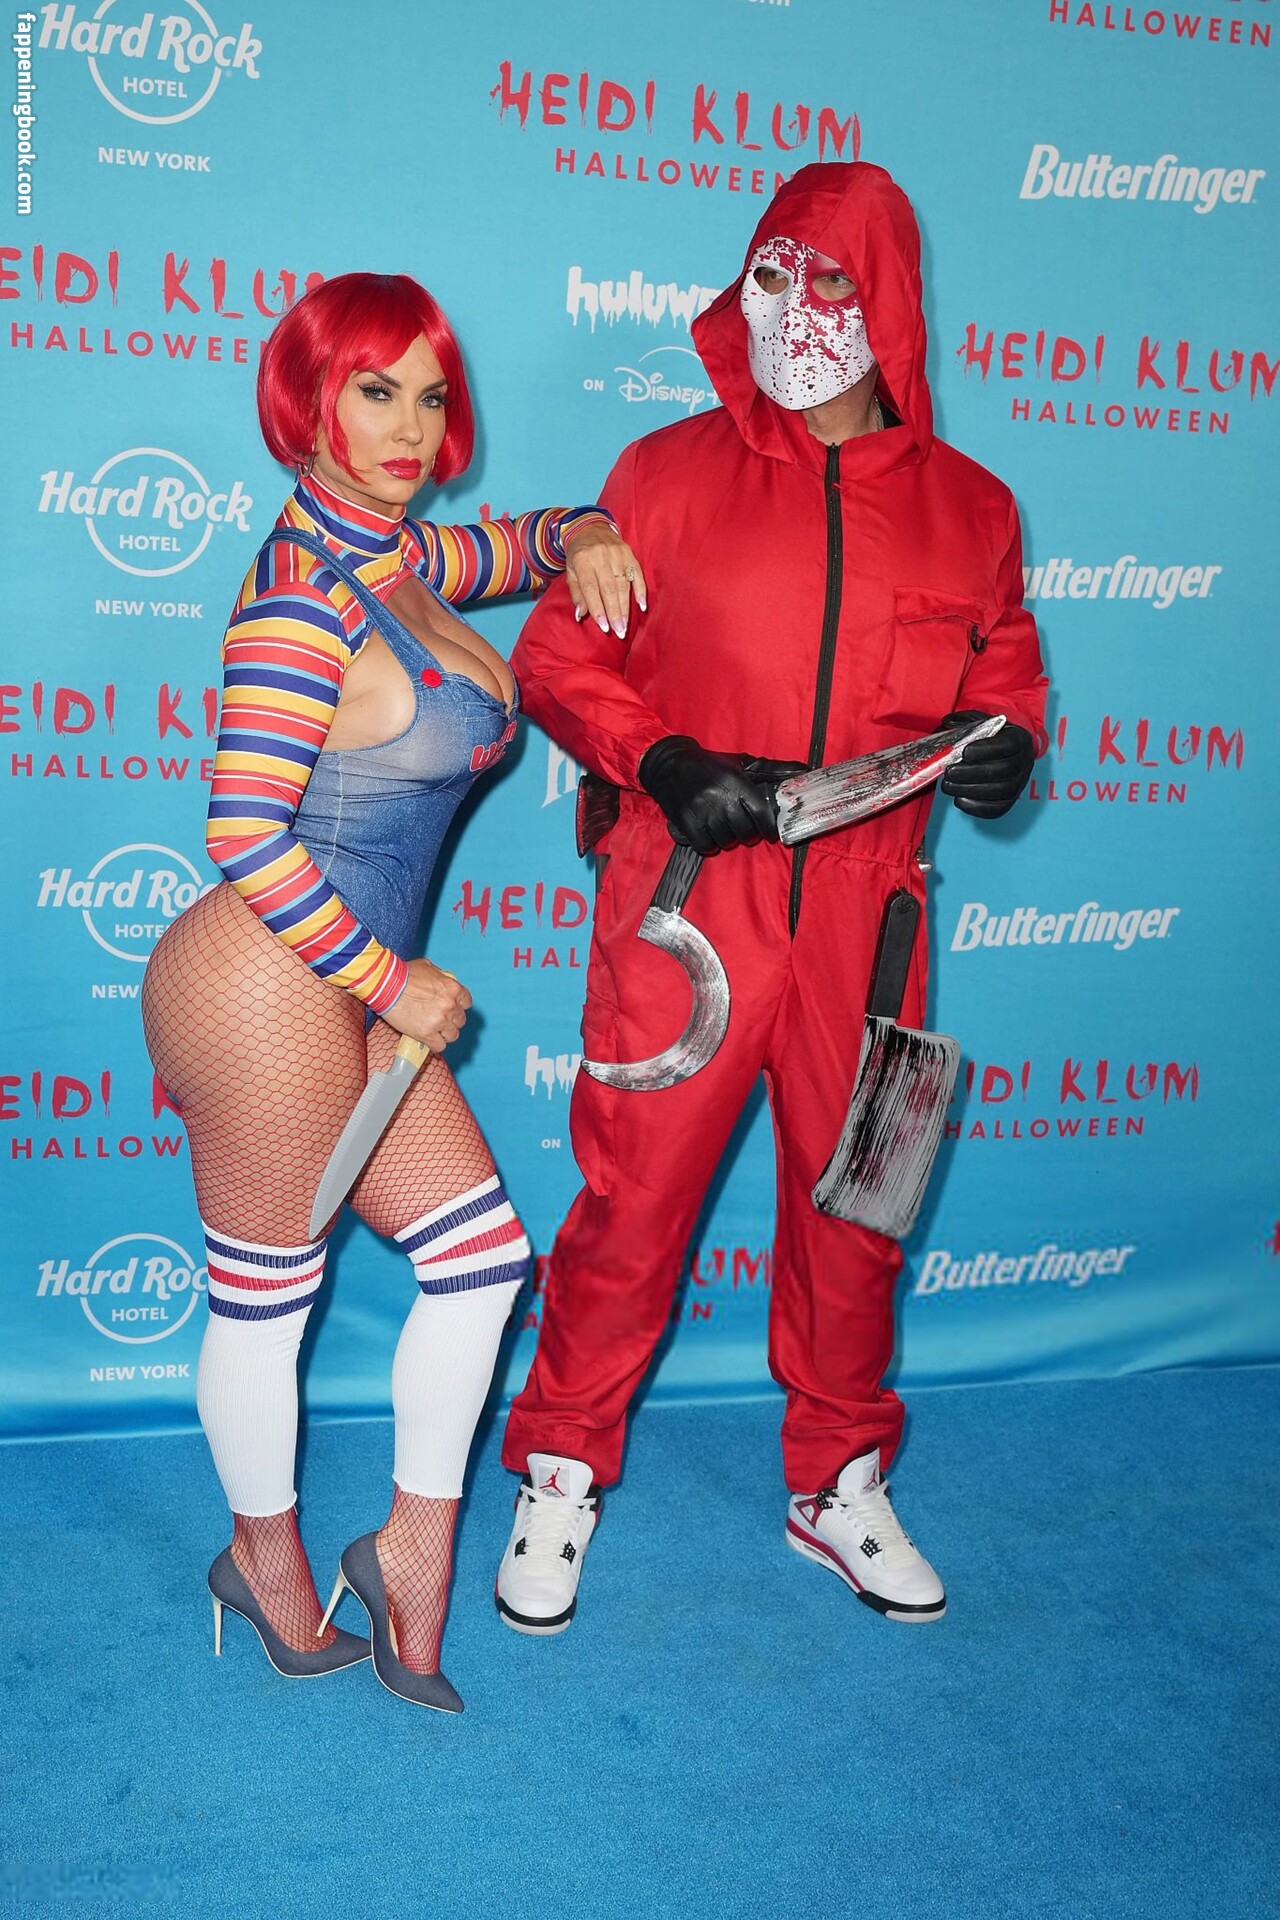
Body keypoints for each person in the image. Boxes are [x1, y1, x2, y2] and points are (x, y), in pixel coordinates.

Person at [494, 162, 1048, 1635]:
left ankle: (838, 1478)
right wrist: (661, 758)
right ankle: (561, 1464)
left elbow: (1002, 672)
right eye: (773, 272)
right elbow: (559, 659)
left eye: (834, 278)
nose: (798, 306)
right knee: (633, 1199)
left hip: (875, 921)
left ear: (892, 303)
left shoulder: (974, 509)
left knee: (861, 1208)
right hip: (689, 900)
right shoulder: (663, 476)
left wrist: (1010, 744)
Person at [142, 271, 646, 1709]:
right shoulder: (304, 593)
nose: (411, 425)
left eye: (429, 394)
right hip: (264, 979)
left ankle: (410, 1550)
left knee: (480, 1262)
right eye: (376, 392)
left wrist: (585, 530)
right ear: (311, 402)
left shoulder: (398, 552)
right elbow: (242, 831)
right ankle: (264, 1563)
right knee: (269, 1298)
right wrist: (386, 978)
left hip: (340, 991)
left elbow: (519, 543)